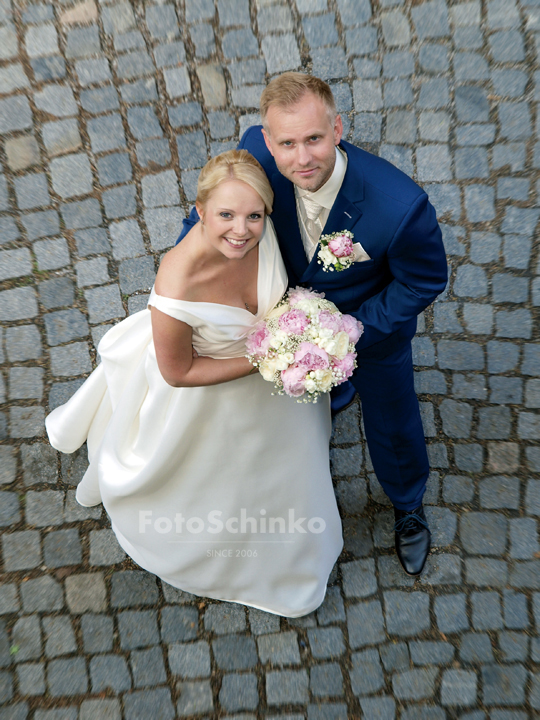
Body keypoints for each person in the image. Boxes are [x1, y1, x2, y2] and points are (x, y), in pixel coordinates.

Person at [46, 150, 343, 618]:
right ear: (200, 211)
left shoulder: (255, 239)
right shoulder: (179, 281)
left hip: (271, 382)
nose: (241, 231)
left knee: (291, 464)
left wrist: (297, 335)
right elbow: (178, 373)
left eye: (254, 216)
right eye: (225, 215)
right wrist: (267, 358)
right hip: (205, 391)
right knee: (225, 482)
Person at [178, 73, 448, 577]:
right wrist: (189, 260)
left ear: (338, 128)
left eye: (314, 139)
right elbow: (218, 212)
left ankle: (408, 503)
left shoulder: (400, 207)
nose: (302, 158)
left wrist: (345, 331)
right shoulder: (254, 156)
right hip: (278, 323)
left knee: (393, 418)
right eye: (287, 143)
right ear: (266, 139)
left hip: (368, 336)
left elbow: (423, 282)